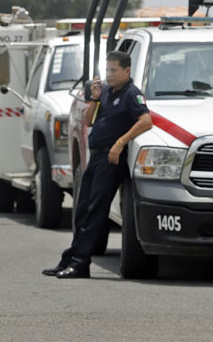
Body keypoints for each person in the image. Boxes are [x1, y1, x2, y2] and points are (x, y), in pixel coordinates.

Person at [42, 51, 152, 279]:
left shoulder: (132, 94)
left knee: (95, 212)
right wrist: (94, 98)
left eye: (113, 70)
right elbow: (89, 120)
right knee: (82, 209)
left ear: (127, 71)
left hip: (111, 159)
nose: (109, 75)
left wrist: (120, 143)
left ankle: (81, 263)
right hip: (96, 155)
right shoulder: (106, 91)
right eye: (107, 70)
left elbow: (146, 121)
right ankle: (70, 258)